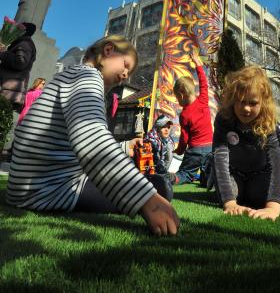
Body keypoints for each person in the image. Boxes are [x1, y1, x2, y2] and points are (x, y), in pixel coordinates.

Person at [6, 35, 180, 236]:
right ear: (108, 50)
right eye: (125, 65)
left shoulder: (72, 75)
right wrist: (148, 201)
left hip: (28, 186)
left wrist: (124, 147)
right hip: (50, 190)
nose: (125, 75)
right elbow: (91, 139)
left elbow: (72, 140)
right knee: (160, 187)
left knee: (153, 183)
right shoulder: (88, 77)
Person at [212, 65, 280, 221]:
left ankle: (249, 193)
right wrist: (230, 203)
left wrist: (273, 207)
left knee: (259, 197)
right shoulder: (224, 119)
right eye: (241, 101)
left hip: (259, 173)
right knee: (232, 192)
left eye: (253, 103)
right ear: (233, 99)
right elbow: (220, 158)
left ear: (263, 103)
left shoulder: (268, 123)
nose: (246, 108)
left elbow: (277, 163)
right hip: (234, 172)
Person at [171, 51, 212, 185]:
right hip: (210, 147)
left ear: (181, 95)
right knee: (208, 170)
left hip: (194, 149)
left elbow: (184, 137)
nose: (178, 101)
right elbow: (203, 82)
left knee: (186, 173)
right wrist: (198, 64)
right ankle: (207, 180)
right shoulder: (203, 100)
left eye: (177, 98)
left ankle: (173, 178)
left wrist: (180, 150)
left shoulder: (184, 114)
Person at [0, 22, 37, 156]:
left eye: (17, 28)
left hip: (7, 91)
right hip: (7, 90)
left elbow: (20, 62)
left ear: (23, 31)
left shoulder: (24, 44)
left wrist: (3, 53)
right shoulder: (22, 43)